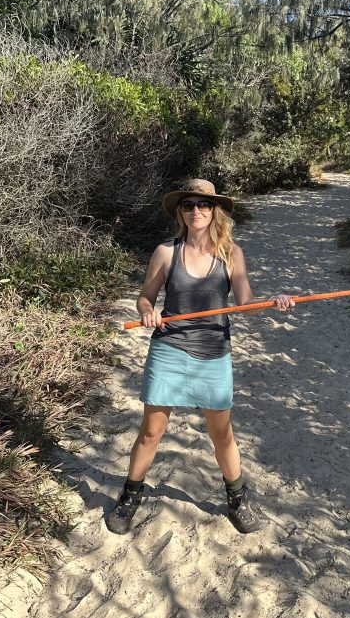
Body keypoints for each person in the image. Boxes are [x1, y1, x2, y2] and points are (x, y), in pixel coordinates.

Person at [106, 178, 295, 536]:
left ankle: (237, 498)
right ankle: (130, 495)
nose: (196, 210)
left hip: (213, 353)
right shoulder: (166, 252)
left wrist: (273, 303)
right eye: (188, 204)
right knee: (151, 431)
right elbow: (145, 297)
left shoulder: (231, 254)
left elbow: (245, 303)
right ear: (180, 211)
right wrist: (148, 312)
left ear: (214, 210)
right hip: (169, 348)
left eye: (204, 204)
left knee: (221, 434)